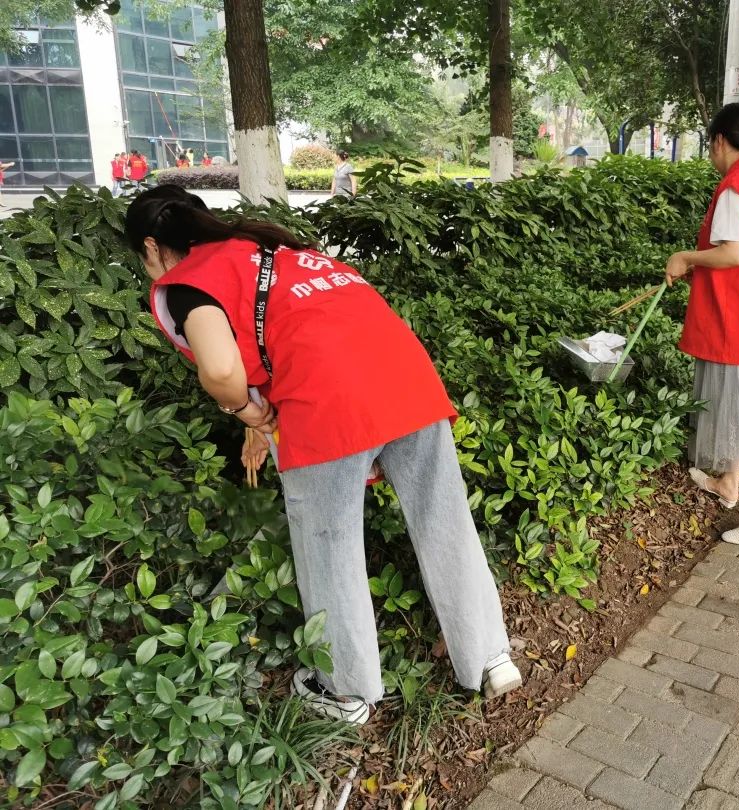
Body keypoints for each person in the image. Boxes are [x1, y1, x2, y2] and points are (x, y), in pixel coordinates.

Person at [124, 184, 520, 725]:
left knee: (328, 549)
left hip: (328, 405)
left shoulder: (188, 282)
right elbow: (303, 332)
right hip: (409, 384)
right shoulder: (275, 247)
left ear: (151, 246)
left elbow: (220, 370)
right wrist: (258, 421)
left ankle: (348, 692)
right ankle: (490, 657)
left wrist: (243, 410)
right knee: (445, 521)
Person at [664, 102, 739, 547]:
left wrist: (685, 258)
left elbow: (735, 253)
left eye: (709, 146)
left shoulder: (737, 187)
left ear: (719, 141)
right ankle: (730, 484)